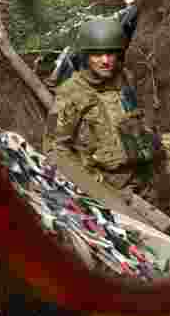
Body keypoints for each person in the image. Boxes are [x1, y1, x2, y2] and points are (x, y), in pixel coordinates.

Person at [43, 16, 162, 203]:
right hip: (109, 188)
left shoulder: (125, 78)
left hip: (143, 179)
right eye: (97, 54)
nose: (106, 61)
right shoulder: (69, 93)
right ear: (85, 56)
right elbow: (54, 147)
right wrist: (91, 185)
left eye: (110, 53)